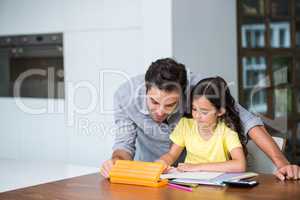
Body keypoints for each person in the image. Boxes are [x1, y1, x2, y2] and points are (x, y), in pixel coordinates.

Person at [100, 58, 300, 180]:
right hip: (153, 175)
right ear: (145, 88)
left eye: (170, 105)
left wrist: (281, 163)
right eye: (153, 102)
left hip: (192, 178)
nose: (160, 112)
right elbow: (124, 145)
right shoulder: (124, 96)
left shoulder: (200, 88)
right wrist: (115, 162)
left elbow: (246, 119)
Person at [158, 77, 246, 173]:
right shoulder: (185, 125)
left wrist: (197, 167)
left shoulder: (227, 130)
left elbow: (240, 165)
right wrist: (162, 162)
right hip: (189, 183)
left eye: (204, 112)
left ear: (220, 111)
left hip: (217, 185)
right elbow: (171, 155)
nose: (197, 116)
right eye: (194, 109)